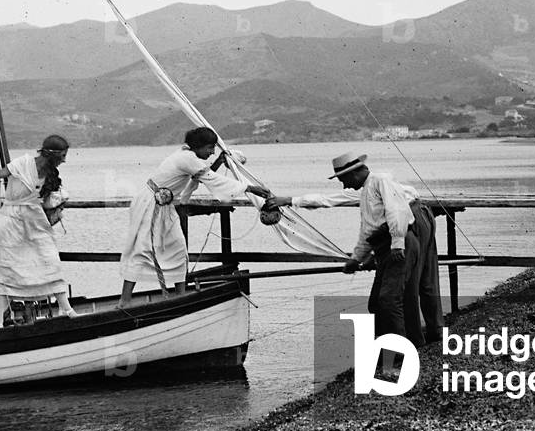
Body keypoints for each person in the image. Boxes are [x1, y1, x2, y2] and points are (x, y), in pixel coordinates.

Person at [264, 152, 444, 347]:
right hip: (391, 236)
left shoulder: (379, 181)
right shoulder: (364, 190)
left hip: (406, 227)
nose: (344, 185)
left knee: (403, 292)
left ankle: (412, 342)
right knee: (381, 300)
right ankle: (397, 342)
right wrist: (357, 258)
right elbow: (366, 226)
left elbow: (396, 212)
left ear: (355, 173)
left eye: (344, 180)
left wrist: (397, 245)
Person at [118, 127, 271, 308]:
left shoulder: (188, 156)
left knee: (178, 248)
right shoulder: (186, 158)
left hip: (163, 206)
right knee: (142, 250)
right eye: (209, 148)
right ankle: (124, 301)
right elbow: (211, 179)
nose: (212, 152)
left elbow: (200, 177)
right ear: (198, 147)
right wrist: (250, 188)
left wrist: (219, 163)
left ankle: (180, 296)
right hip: (150, 205)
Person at [0, 134, 77, 324]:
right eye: (63, 155)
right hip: (9, 223)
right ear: (52, 154)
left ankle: (66, 309)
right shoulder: (23, 163)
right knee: (5, 273)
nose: (65, 160)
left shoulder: (50, 173)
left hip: (34, 223)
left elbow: (49, 199)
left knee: (49, 260)